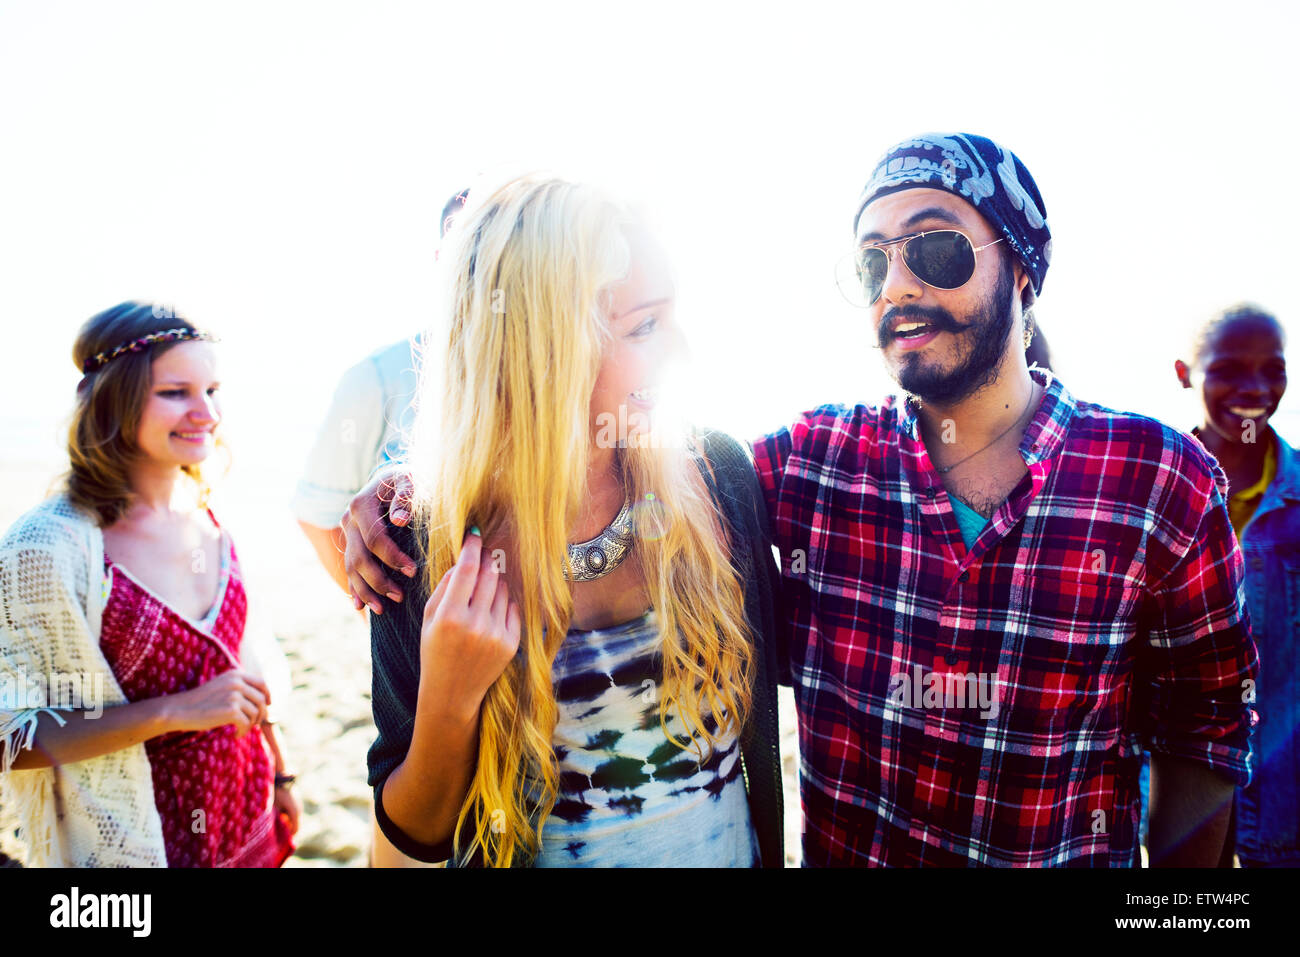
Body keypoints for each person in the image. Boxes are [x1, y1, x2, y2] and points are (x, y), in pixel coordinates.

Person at [346, 134, 1257, 868]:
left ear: (1023, 268)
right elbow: (592, 469)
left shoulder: (1160, 481)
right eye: (871, 264)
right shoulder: (813, 465)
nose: (899, 284)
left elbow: (1207, 733)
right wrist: (399, 496)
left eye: (935, 248)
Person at [357, 175, 784, 867]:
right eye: (644, 326)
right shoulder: (418, 542)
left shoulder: (716, 474)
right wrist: (449, 704)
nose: (680, 352)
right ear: (540, 346)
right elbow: (412, 840)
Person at [0, 302, 298, 867]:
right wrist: (174, 711)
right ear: (114, 398)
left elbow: (247, 664)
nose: (207, 413)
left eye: (213, 390)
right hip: (137, 844)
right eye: (176, 392)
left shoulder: (210, 513)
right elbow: (9, 737)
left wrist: (282, 773)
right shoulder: (47, 546)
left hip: (247, 811)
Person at [293, 188, 470, 592]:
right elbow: (319, 516)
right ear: (443, 260)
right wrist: (383, 615)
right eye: (473, 248)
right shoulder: (375, 377)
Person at [1173, 303, 1297, 867]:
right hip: (1170, 811)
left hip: (1284, 809)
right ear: (1184, 373)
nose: (1254, 388)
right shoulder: (1149, 495)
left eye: (1272, 370)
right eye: (1227, 369)